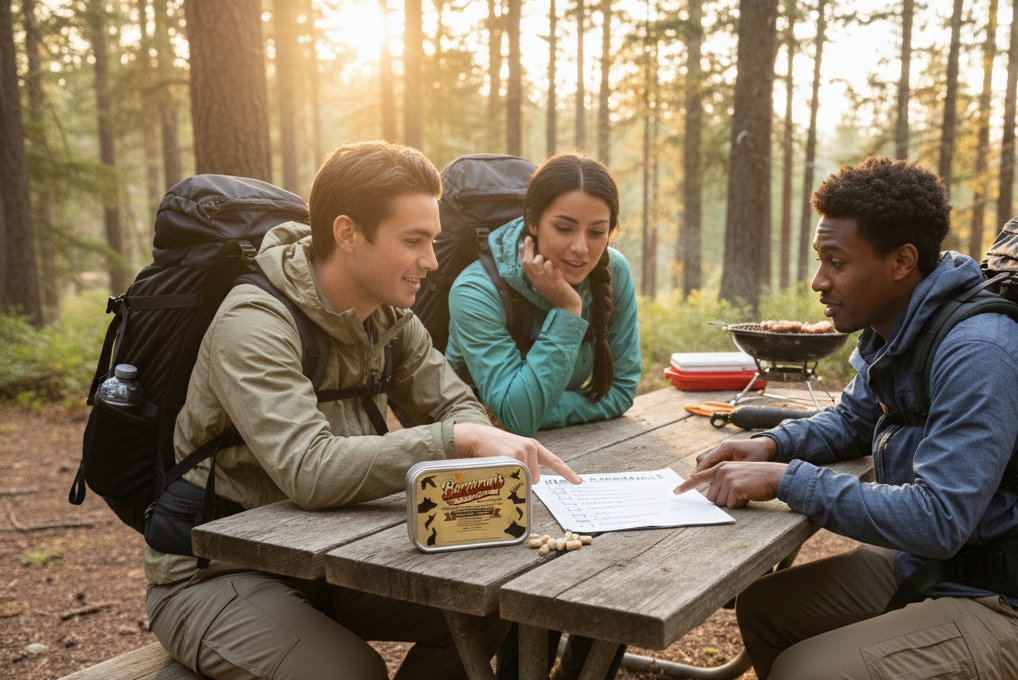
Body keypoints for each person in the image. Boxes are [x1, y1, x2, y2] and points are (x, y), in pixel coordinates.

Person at [144, 141, 581, 680]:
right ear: (348, 233)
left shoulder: (391, 318)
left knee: (491, 606)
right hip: (216, 573)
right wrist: (455, 442)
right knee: (353, 675)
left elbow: (457, 408)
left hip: (331, 563)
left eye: (433, 240)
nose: (431, 261)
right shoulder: (255, 323)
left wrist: (471, 444)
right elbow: (310, 470)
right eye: (414, 241)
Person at [675, 156, 1018, 680]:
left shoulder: (977, 349)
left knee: (805, 670)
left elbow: (939, 518)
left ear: (902, 261)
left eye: (836, 262)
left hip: (998, 594)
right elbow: (854, 420)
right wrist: (770, 445)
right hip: (939, 565)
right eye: (820, 259)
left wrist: (788, 479)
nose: (819, 282)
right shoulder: (901, 327)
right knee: (767, 611)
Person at [445, 153, 641, 680]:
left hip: (565, 461)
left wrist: (523, 413)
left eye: (597, 232)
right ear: (531, 222)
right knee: (537, 575)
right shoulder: (476, 291)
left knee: (621, 558)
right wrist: (567, 312)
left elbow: (620, 390)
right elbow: (515, 417)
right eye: (564, 227)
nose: (582, 247)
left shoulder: (613, 271)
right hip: (477, 478)